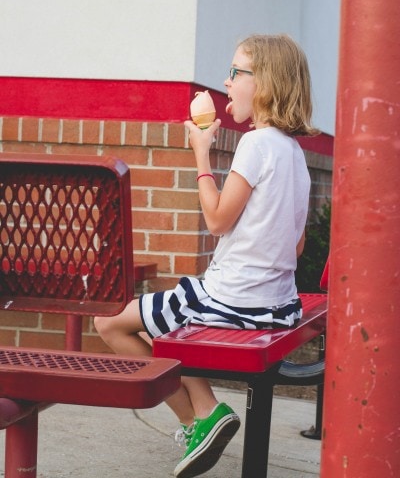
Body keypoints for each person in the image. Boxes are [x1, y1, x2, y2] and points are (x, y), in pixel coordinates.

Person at [94, 33, 318, 478]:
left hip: (232, 299)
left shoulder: (255, 146)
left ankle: (199, 417)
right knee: (171, 313)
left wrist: (201, 155)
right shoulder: (294, 153)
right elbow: (296, 245)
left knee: (111, 322)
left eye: (236, 72)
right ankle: (205, 412)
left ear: (266, 83)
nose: (226, 81)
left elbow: (216, 219)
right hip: (275, 306)